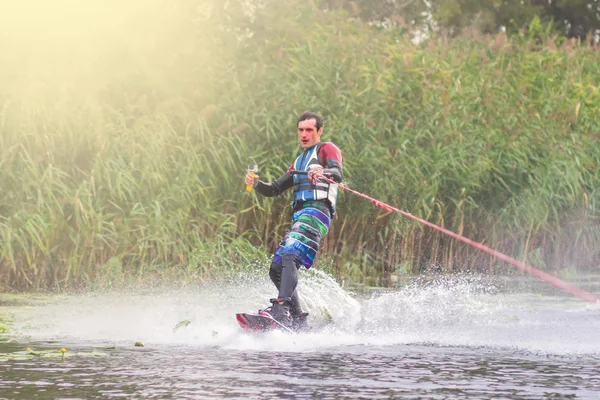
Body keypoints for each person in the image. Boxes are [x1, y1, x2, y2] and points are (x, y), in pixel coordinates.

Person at [244, 112, 343, 329]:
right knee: (277, 268)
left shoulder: (326, 149)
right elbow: (274, 190)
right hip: (301, 216)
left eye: (309, 130)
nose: (304, 134)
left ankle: (281, 310)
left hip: (317, 212)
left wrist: (322, 171)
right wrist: (257, 182)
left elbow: (337, 172)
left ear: (319, 131)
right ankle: (297, 320)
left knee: (290, 254)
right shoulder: (299, 161)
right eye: (301, 130)